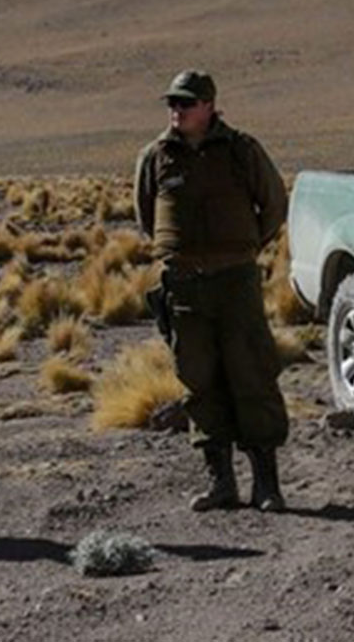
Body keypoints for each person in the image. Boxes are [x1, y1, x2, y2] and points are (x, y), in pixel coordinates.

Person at [134, 70, 292, 511]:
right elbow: (147, 215)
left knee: (252, 374)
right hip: (184, 285)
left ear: (209, 106)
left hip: (235, 281)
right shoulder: (156, 156)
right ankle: (221, 482)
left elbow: (274, 203)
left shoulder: (241, 150)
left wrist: (242, 248)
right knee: (198, 379)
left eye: (186, 103)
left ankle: (267, 484)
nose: (177, 111)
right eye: (172, 103)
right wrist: (183, 253)